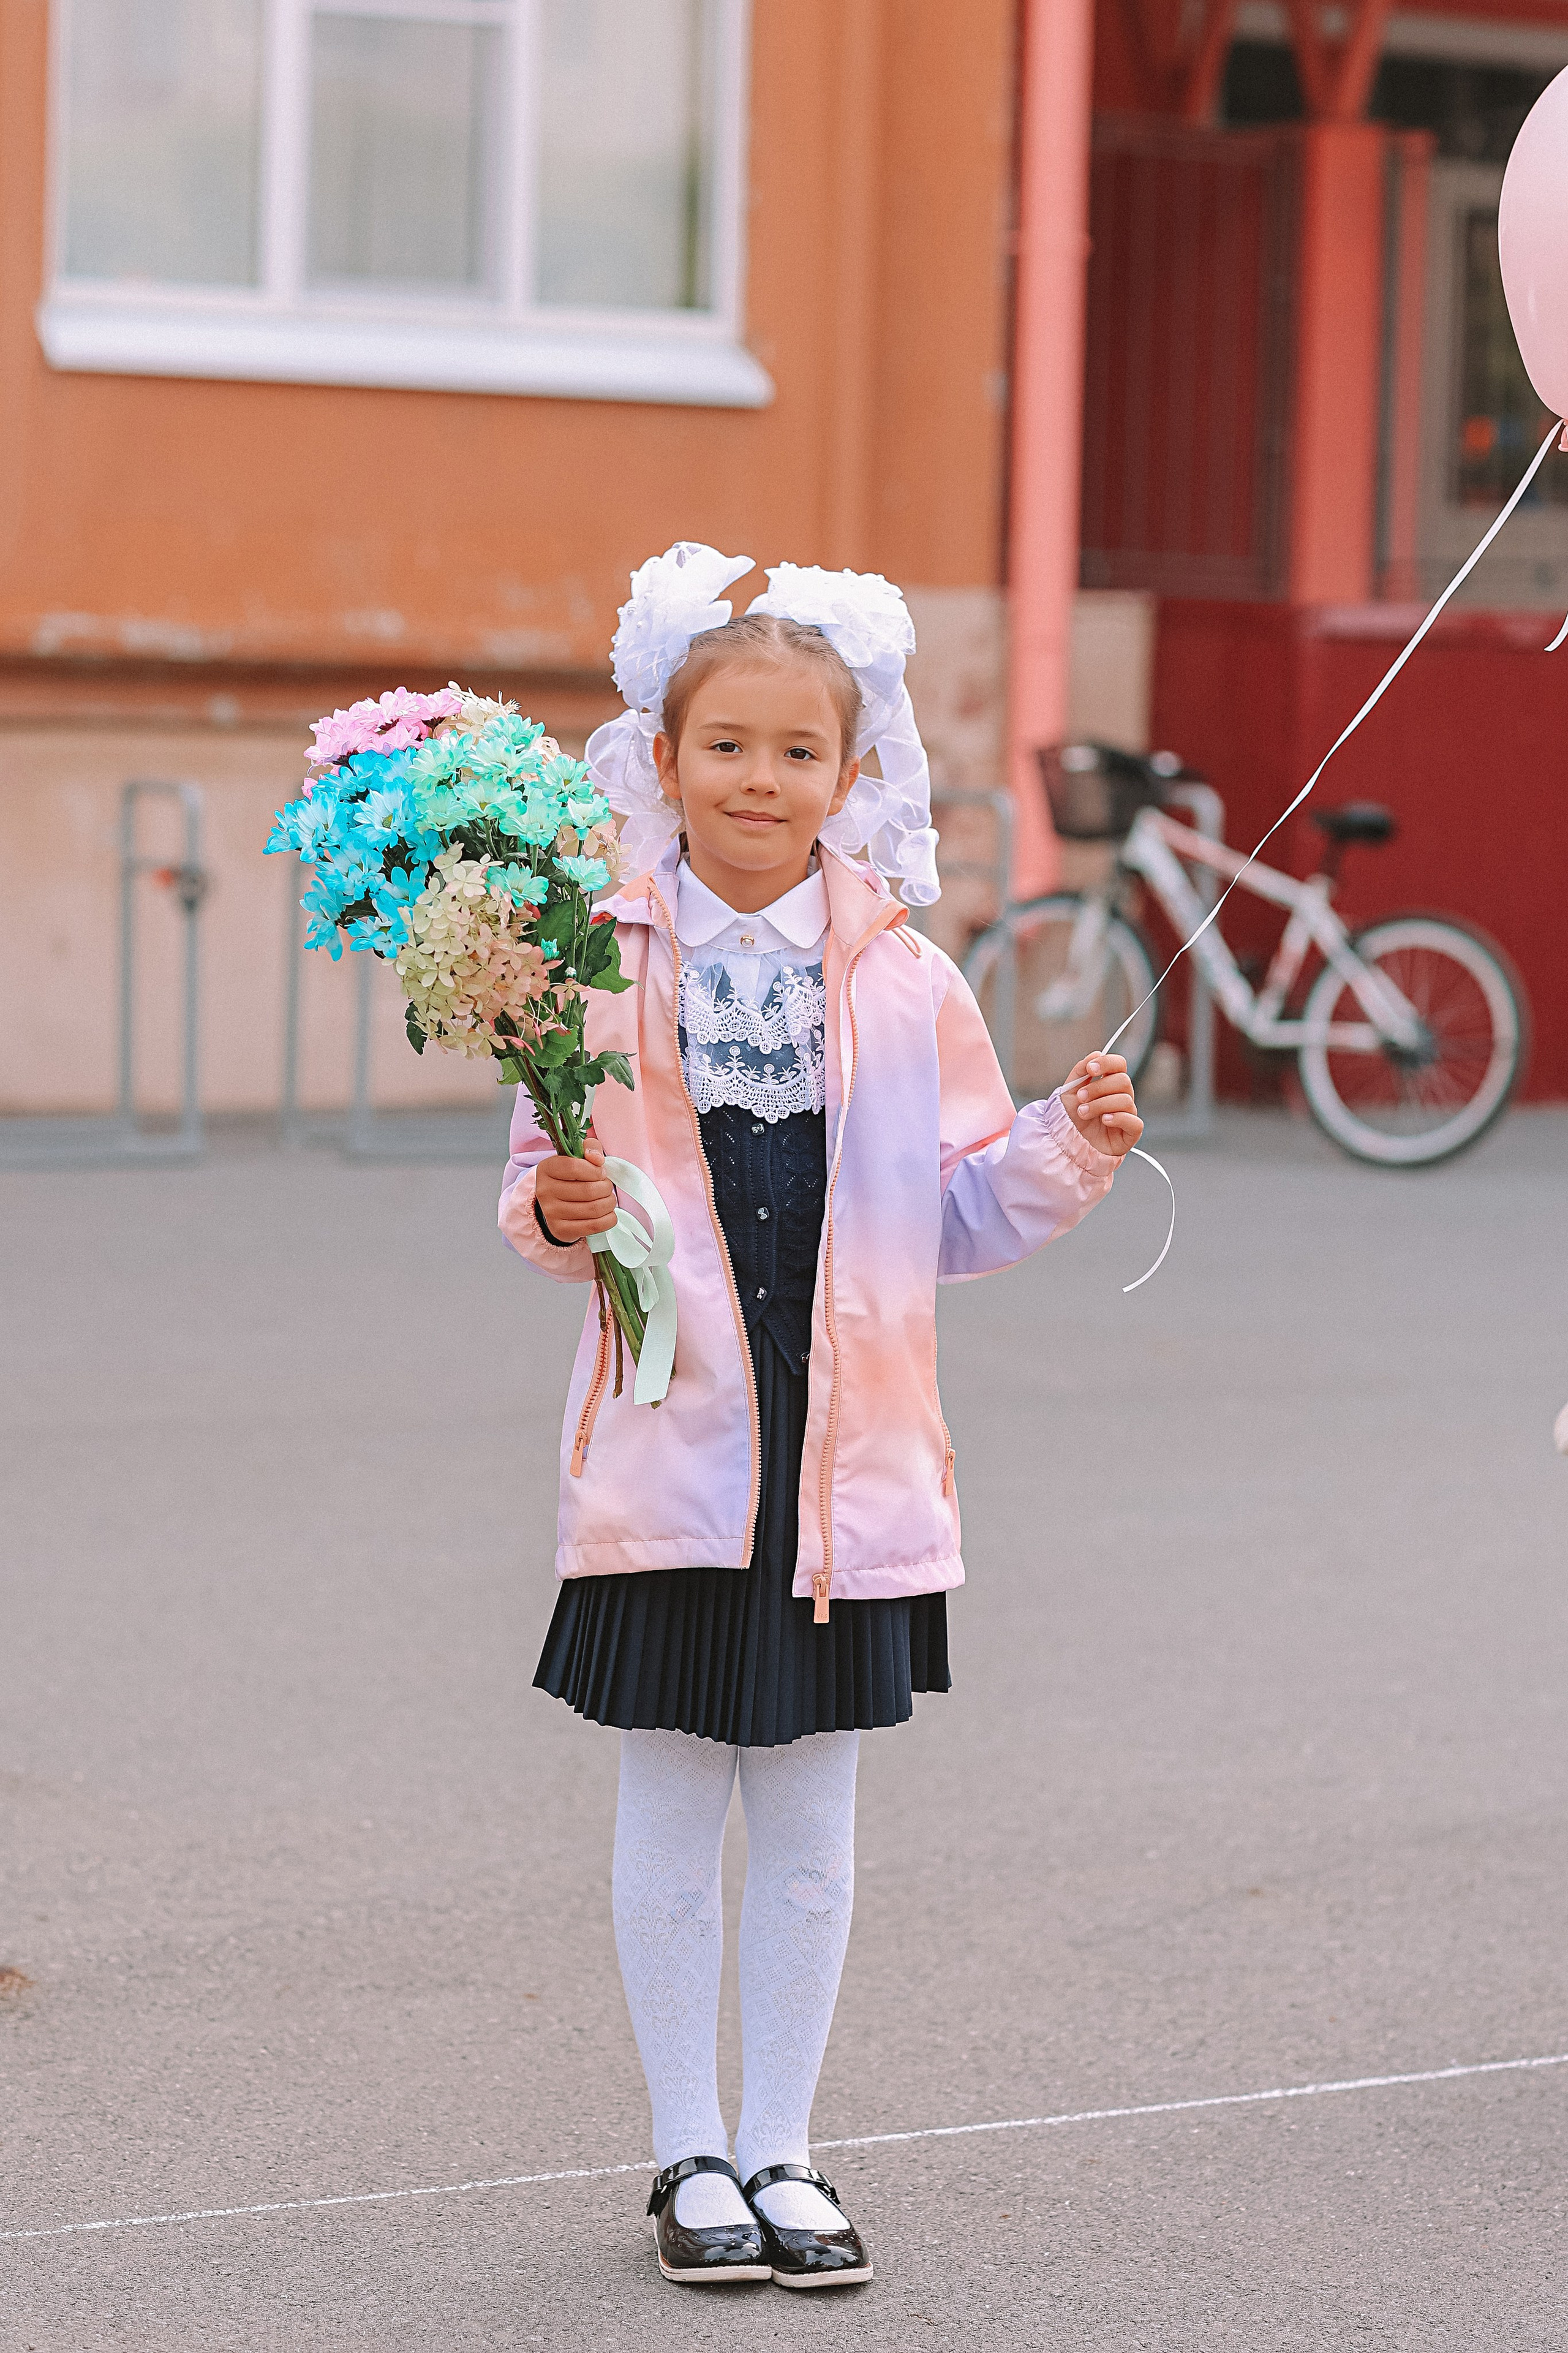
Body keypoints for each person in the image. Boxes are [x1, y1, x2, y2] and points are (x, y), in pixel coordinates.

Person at [499, 545, 1142, 2291]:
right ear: (663, 752)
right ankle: (685, 2150)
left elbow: (957, 1211)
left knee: (808, 1822)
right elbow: (545, 1207)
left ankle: (786, 2142)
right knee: (671, 1803)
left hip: (845, 1459)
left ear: (852, 779)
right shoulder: (593, 967)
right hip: (672, 1443)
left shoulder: (908, 981)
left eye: (798, 753)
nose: (761, 782)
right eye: (728, 747)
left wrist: (1062, 1144)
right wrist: (560, 1209)